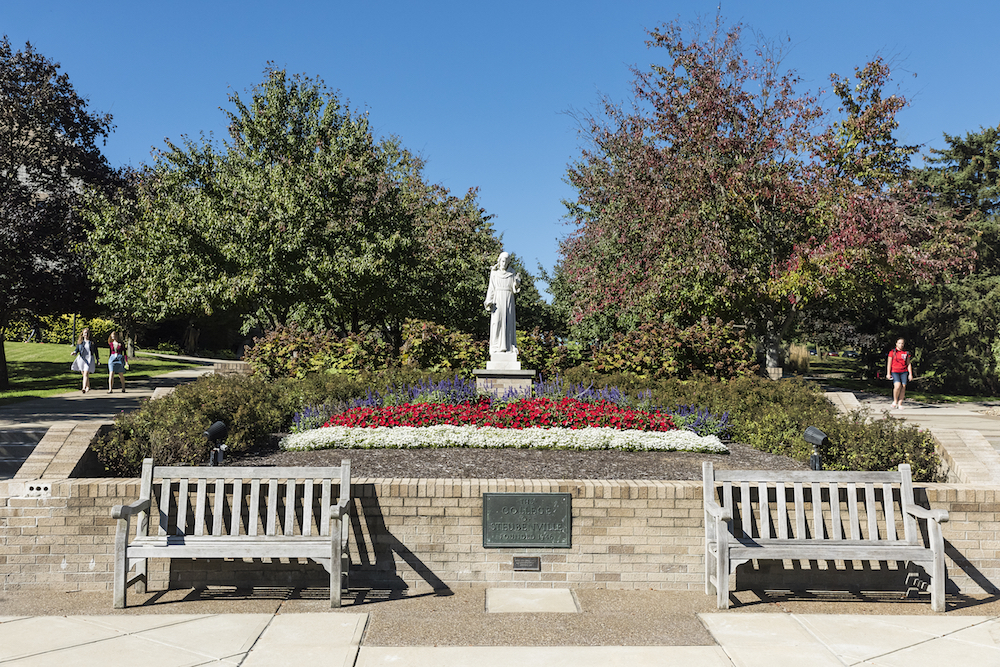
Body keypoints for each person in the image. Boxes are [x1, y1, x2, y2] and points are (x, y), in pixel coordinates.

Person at [484, 251, 521, 355]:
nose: (504, 263)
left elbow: (515, 288)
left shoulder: (512, 273)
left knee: (508, 322)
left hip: (508, 299)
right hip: (497, 300)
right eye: (502, 261)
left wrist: (517, 283)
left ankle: (508, 346)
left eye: (506, 261)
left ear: (508, 262)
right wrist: (488, 300)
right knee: (497, 322)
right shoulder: (494, 273)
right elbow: (491, 288)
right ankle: (495, 346)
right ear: (499, 261)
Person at [886, 338, 915, 409]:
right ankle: (895, 401)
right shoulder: (892, 352)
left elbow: (908, 364)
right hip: (895, 371)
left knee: (903, 386)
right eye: (899, 343)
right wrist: (888, 373)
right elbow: (889, 363)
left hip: (904, 372)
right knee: (897, 386)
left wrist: (910, 374)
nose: (901, 345)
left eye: (902, 343)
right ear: (896, 344)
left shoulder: (906, 353)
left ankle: (900, 403)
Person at [70, 328, 99, 393]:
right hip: (82, 359)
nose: (86, 334)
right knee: (84, 374)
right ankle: (88, 386)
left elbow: (96, 351)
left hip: (89, 359)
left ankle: (83, 387)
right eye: (85, 333)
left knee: (86, 373)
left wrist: (98, 359)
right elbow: (77, 349)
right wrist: (74, 352)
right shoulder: (80, 342)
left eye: (87, 333)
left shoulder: (92, 342)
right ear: (82, 334)